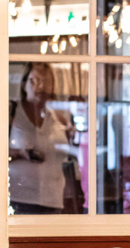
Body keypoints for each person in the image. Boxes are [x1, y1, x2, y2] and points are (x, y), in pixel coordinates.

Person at [9, 62, 83, 215]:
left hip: (53, 200)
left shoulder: (59, 117)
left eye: (46, 81)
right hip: (18, 199)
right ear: (24, 84)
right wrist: (21, 152)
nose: (40, 86)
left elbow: (73, 153)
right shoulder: (11, 113)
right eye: (34, 80)